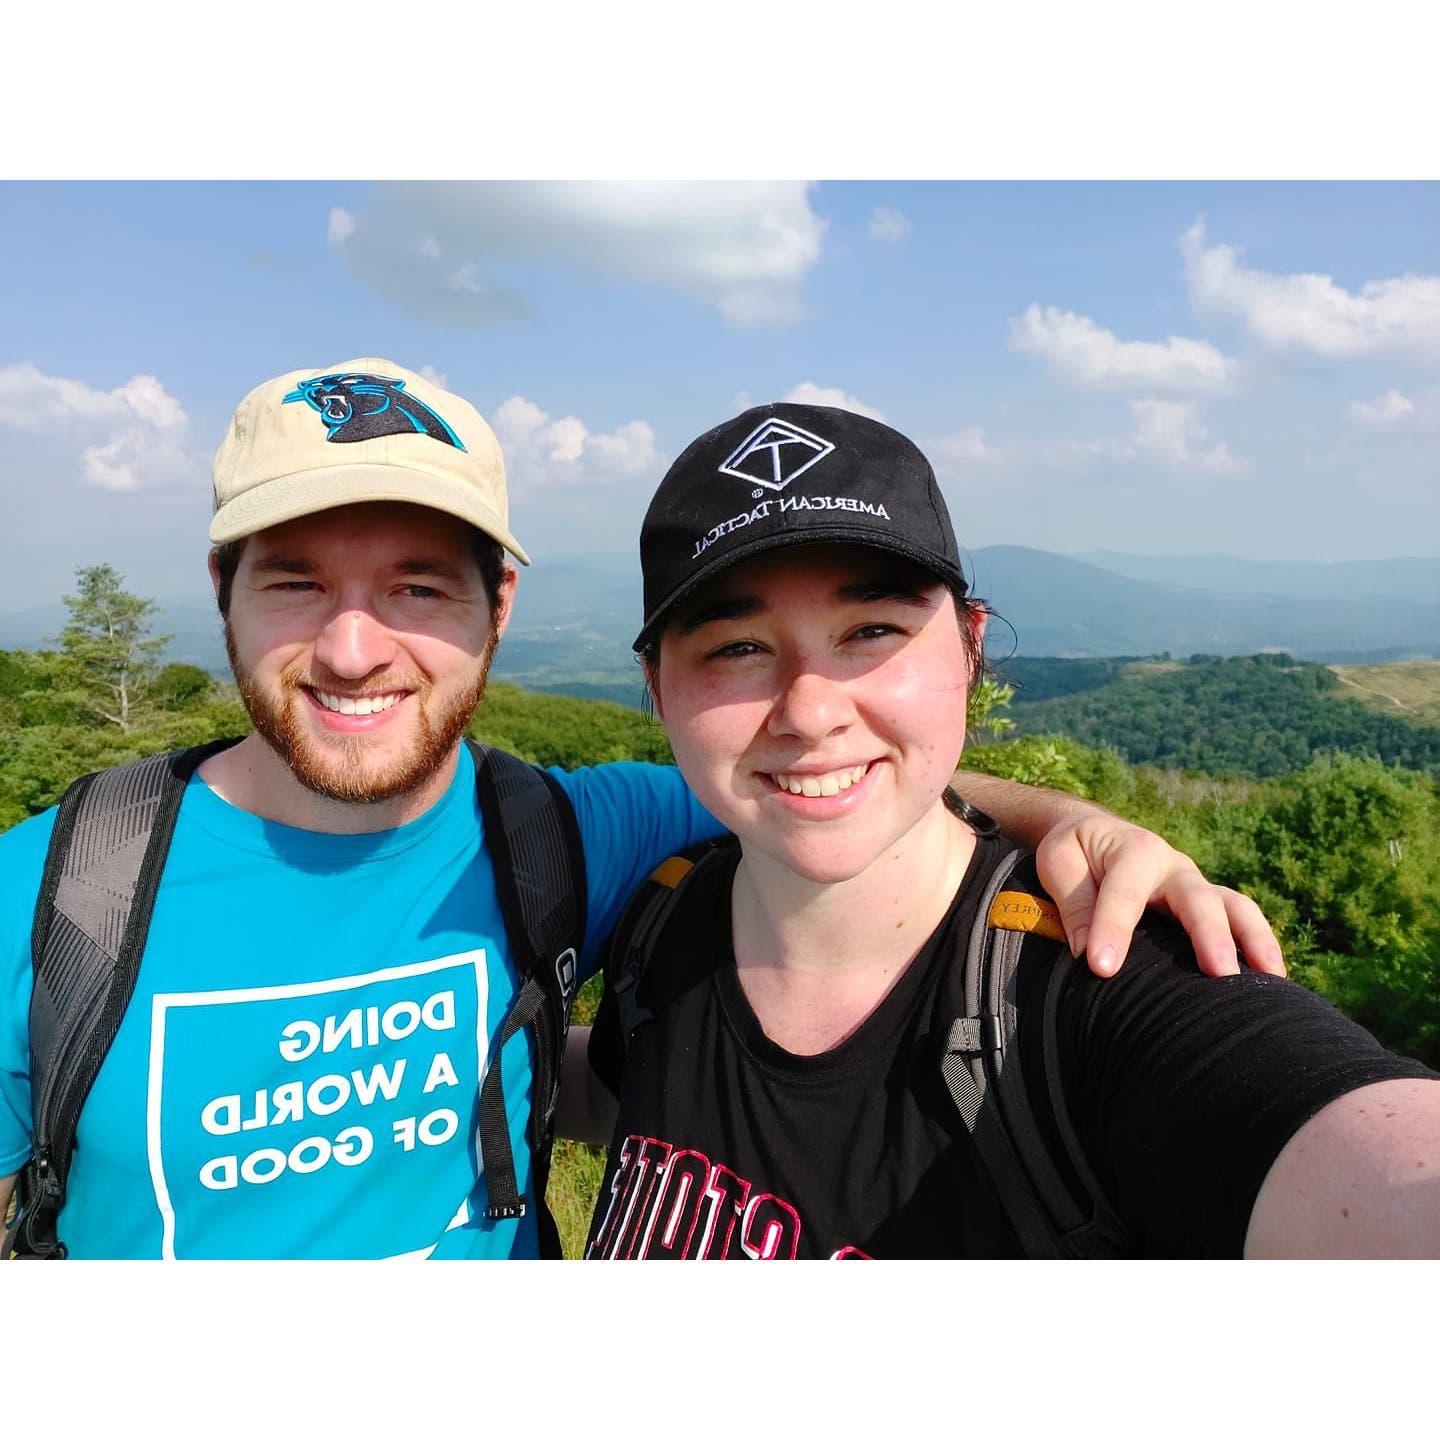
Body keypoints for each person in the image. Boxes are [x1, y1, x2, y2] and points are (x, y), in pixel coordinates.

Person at [0, 363, 1281, 1259]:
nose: (350, 649)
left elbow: (818, 778)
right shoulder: (58, 893)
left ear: (499, 607)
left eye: (415, 589)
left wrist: (1067, 820)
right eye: (291, 584)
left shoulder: (570, 832)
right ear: (222, 591)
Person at [568, 402, 1440, 1260]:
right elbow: (616, 1094)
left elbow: (1357, 1150)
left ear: (969, 647)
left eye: (871, 631)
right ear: (656, 682)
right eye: (736, 648)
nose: (810, 712)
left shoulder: (1096, 981)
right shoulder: (665, 917)